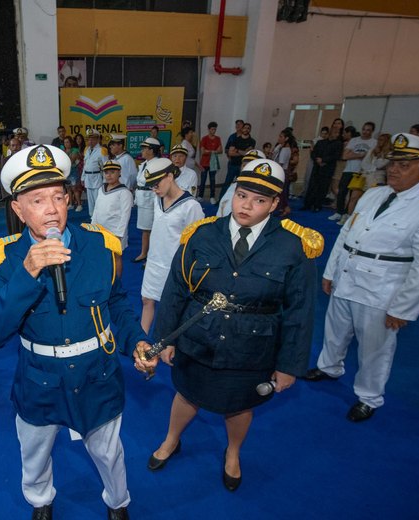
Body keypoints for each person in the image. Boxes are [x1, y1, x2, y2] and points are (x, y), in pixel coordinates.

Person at [0, 144, 150, 520]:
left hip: (96, 373)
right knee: (35, 451)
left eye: (58, 196)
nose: (52, 208)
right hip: (40, 379)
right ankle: (40, 501)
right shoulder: (4, 258)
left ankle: (117, 502)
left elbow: (116, 304)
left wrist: (135, 340)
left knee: (109, 450)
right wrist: (27, 272)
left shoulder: (100, 245)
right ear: (18, 210)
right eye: (37, 200)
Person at [136, 158, 320, 491]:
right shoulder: (202, 234)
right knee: (187, 394)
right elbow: (176, 288)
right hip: (199, 338)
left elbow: (300, 311)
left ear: (276, 204)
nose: (247, 205)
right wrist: (165, 339)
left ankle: (233, 453)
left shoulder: (293, 246)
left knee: (240, 405)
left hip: (251, 347)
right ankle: (171, 440)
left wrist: (289, 364)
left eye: (260, 200)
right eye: (242, 195)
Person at [304, 133, 419, 422]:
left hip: (382, 288)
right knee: (335, 328)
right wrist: (331, 270)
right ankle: (329, 366)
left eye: (404, 165)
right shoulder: (375, 195)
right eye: (393, 163)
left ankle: (368, 396)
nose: (394, 169)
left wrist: (404, 308)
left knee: (375, 346)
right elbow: (346, 233)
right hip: (348, 274)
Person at [139, 158, 204, 334]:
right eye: (151, 185)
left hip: (175, 266)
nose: (154, 188)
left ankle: (168, 344)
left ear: (169, 176)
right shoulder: (157, 198)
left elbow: (197, 243)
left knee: (172, 307)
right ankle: (140, 339)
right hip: (154, 260)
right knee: (147, 300)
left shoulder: (191, 206)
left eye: (157, 183)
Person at [331, 122, 376, 224]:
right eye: (364, 129)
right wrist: (361, 155)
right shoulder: (354, 140)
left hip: (361, 172)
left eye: (368, 130)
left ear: (372, 131)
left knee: (353, 196)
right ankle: (339, 212)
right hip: (348, 169)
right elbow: (345, 156)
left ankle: (347, 214)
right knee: (342, 191)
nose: (365, 132)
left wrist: (354, 154)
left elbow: (370, 157)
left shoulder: (374, 142)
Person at [343, 133, 392, 222]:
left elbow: (380, 165)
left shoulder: (389, 154)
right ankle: (349, 218)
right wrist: (372, 165)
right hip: (364, 176)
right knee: (354, 197)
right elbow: (364, 164)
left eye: (381, 140)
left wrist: (379, 156)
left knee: (370, 200)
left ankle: (363, 220)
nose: (379, 142)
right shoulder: (372, 150)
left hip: (377, 178)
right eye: (379, 139)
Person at [92, 160, 133, 250]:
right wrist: (93, 226)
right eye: (106, 173)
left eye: (112, 172)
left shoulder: (124, 192)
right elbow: (96, 209)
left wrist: (119, 234)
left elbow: (125, 215)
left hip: (115, 232)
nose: (109, 175)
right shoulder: (101, 189)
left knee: (116, 257)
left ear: (119, 172)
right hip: (101, 230)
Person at [133, 137, 162, 263]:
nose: (142, 150)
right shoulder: (145, 163)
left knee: (150, 229)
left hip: (150, 199)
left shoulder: (156, 164)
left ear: (152, 150)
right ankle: (145, 253)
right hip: (142, 198)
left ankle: (149, 254)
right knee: (145, 229)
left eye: (145, 148)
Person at [303, 124, 344, 212]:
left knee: (322, 188)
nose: (336, 134)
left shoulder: (338, 144)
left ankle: (317, 205)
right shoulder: (321, 142)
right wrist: (317, 160)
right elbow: (313, 153)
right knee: (312, 186)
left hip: (327, 169)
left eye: (338, 133)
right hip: (317, 167)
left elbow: (337, 156)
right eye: (334, 132)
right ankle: (307, 204)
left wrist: (324, 160)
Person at [221, 123, 256, 200]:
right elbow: (230, 153)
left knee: (241, 185)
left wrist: (237, 150)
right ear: (242, 129)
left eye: (248, 128)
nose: (246, 129)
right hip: (233, 165)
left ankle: (237, 201)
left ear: (250, 130)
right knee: (227, 183)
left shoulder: (252, 141)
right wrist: (243, 152)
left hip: (244, 167)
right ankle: (221, 200)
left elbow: (247, 153)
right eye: (245, 128)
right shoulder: (235, 139)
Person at [81, 128, 107, 217]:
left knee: (98, 199)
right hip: (88, 177)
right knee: (90, 200)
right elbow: (85, 165)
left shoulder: (102, 150)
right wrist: (82, 177)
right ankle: (92, 217)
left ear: (98, 139)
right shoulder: (86, 150)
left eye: (93, 138)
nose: (90, 141)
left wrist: (105, 181)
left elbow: (105, 167)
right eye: (88, 139)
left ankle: (99, 217)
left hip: (97, 177)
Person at [199, 122, 223, 204]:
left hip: (213, 163)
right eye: (212, 129)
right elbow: (203, 151)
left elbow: (221, 150)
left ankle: (212, 196)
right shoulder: (204, 138)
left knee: (213, 180)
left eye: (215, 129)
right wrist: (214, 151)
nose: (214, 131)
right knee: (203, 180)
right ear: (209, 129)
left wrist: (209, 151)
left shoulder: (218, 138)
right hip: (204, 162)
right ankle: (200, 196)